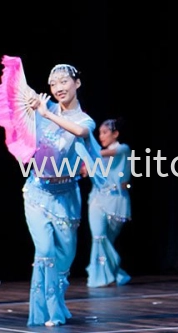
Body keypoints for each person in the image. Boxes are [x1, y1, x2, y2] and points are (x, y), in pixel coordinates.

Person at [20, 64, 105, 326]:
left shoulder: (84, 120)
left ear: (77, 83)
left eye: (63, 81)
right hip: (36, 192)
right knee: (44, 250)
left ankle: (57, 302)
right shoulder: (42, 112)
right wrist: (35, 107)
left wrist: (48, 114)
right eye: (53, 83)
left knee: (65, 259)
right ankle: (48, 311)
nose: (58, 87)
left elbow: (80, 133)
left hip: (66, 196)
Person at [83, 118, 132, 288]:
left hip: (116, 201)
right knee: (98, 236)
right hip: (97, 200)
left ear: (115, 134)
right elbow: (87, 171)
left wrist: (88, 156)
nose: (101, 137)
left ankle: (113, 272)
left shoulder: (123, 149)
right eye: (99, 133)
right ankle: (102, 278)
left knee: (107, 240)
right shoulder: (99, 157)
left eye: (104, 133)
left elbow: (109, 153)